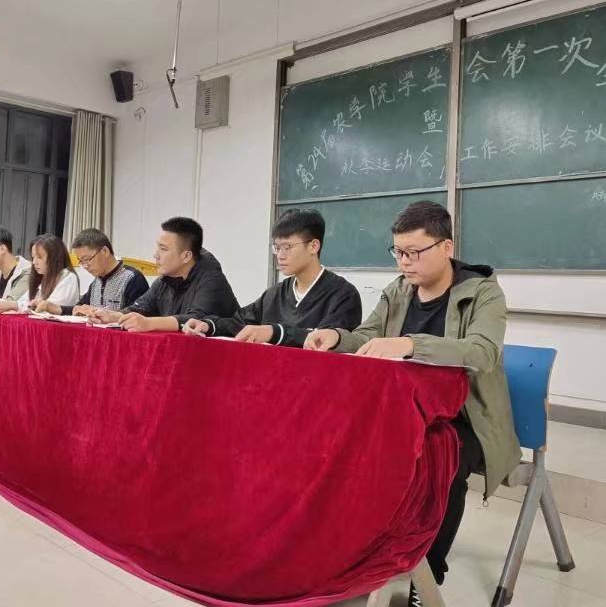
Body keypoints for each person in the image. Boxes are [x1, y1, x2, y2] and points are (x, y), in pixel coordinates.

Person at [304, 200, 520, 592]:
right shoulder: (399, 290)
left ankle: (428, 578)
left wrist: (409, 344)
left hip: (466, 418)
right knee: (341, 444)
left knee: (444, 460)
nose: (404, 262)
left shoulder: (483, 293)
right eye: (398, 252)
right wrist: (336, 336)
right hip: (407, 410)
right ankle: (358, 553)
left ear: (446, 247)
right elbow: (368, 336)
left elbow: (482, 352)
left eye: (414, 252)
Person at [182, 209, 362, 345]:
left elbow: (326, 340)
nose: (280, 255)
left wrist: (275, 332)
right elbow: (239, 322)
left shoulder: (343, 295)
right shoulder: (276, 293)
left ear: (313, 246)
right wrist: (209, 325)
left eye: (288, 247)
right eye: (277, 248)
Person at [89, 217, 239, 332]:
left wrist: (149, 323)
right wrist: (113, 316)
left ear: (186, 256)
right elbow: (141, 307)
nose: (156, 255)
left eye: (163, 249)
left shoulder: (211, 278)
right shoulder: (165, 279)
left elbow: (197, 319)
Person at [34, 228, 149, 316]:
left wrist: (103, 314)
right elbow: (79, 308)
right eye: (81, 261)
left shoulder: (132, 279)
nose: (85, 266)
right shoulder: (96, 282)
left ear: (105, 251)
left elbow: (138, 315)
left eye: (88, 259)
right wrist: (52, 307)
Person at [0, 234, 80, 314]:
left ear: (54, 257)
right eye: (33, 257)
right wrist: (3, 304)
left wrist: (12, 305)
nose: (34, 262)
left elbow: (49, 307)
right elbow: (24, 301)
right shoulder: (43, 277)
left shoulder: (68, 277)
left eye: (39, 257)